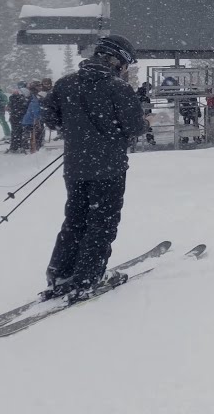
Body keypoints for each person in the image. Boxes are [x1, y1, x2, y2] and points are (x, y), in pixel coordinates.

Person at [41, 34, 148, 301]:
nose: (125, 70)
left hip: (76, 167)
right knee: (101, 222)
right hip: (108, 168)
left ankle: (60, 274)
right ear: (117, 61)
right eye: (125, 65)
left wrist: (76, 131)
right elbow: (135, 127)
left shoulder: (66, 84)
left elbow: (49, 116)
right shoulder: (118, 88)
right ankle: (87, 278)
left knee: (75, 220)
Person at [7, 83, 29, 153]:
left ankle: (19, 145)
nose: (15, 91)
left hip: (19, 117)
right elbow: (10, 106)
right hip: (14, 117)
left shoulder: (22, 98)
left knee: (19, 131)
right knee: (15, 132)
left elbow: (23, 108)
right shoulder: (12, 97)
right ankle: (15, 146)